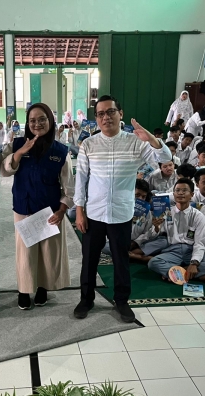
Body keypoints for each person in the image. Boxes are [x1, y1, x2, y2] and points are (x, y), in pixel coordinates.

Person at [74, 94, 171, 322]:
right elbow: (81, 179)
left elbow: (165, 157)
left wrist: (151, 139)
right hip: (95, 213)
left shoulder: (136, 142)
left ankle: (121, 301)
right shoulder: (89, 144)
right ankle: (86, 299)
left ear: (121, 114)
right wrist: (79, 211)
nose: (106, 117)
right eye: (100, 114)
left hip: (121, 213)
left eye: (110, 112)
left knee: (121, 259)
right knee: (89, 260)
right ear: (96, 118)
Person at [1, 102, 74, 309]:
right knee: (25, 254)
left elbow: (69, 186)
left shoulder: (60, 151)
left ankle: (43, 287)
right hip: (23, 208)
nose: (37, 124)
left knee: (47, 254)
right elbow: (5, 170)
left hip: (50, 212)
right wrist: (19, 153)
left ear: (50, 121)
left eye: (42, 119)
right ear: (27, 123)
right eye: (32, 120)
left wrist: (62, 210)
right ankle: (24, 290)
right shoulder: (16, 144)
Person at [147, 178, 205, 283]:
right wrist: (156, 227)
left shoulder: (198, 216)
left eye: (184, 190)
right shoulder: (166, 213)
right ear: (174, 194)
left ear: (192, 194)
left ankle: (175, 273)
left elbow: (200, 243)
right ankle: (196, 275)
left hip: (191, 251)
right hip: (172, 251)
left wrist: (194, 263)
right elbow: (154, 235)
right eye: (177, 190)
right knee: (153, 262)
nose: (180, 193)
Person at [127, 180, 169, 264]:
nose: (140, 199)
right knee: (106, 245)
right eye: (137, 195)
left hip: (137, 244)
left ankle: (132, 255)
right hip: (120, 242)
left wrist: (136, 242)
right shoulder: (120, 209)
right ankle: (132, 255)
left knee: (163, 242)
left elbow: (147, 233)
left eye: (143, 197)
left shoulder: (147, 212)